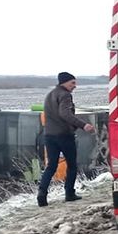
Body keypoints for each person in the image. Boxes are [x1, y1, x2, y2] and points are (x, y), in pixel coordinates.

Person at [37, 72, 94, 206]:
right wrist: (83, 125)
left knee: (51, 166)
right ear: (64, 82)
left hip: (49, 136)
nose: (75, 86)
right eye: (72, 83)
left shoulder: (50, 94)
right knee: (72, 165)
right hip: (64, 135)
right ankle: (69, 193)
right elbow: (65, 114)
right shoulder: (65, 95)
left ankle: (42, 193)